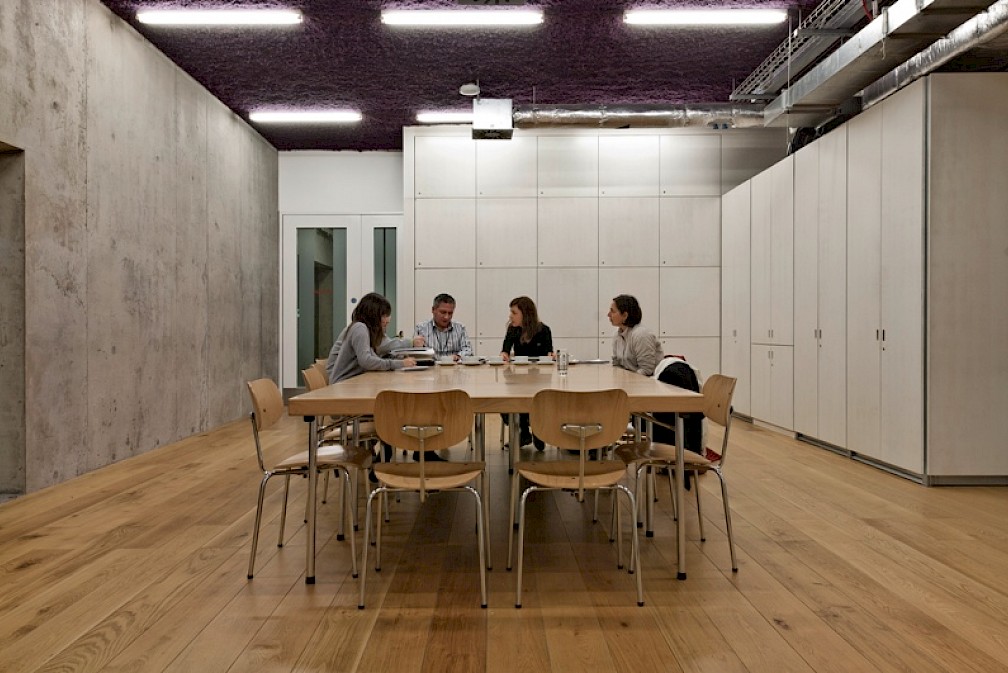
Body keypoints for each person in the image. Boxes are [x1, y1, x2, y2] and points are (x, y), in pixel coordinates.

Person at [500, 296, 553, 451]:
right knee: (509, 399)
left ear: (525, 313)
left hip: (539, 378)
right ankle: (525, 432)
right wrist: (504, 355)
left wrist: (550, 356)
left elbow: (548, 355)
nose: (510, 316)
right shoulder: (512, 329)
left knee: (534, 396)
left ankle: (536, 430)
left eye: (514, 312)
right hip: (518, 377)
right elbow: (505, 351)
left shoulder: (544, 330)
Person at [330, 293, 417, 383]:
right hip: (343, 384)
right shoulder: (360, 328)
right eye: (384, 315)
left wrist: (398, 361)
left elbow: (374, 359)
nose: (387, 320)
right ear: (373, 315)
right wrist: (400, 363)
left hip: (353, 382)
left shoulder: (366, 331)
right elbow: (366, 361)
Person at [325, 323, 422, 384]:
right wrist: (400, 362)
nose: (386, 324)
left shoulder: (363, 329)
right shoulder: (360, 330)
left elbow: (375, 355)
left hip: (349, 381)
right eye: (384, 323)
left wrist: (396, 359)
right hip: (343, 384)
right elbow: (368, 360)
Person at [608, 294, 662, 377]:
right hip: (629, 383)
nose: (608, 314)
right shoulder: (617, 335)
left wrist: (627, 382)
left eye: (613, 311)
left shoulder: (641, 335)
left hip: (647, 384)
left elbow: (646, 371)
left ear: (625, 315)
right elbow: (616, 365)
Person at [413, 293, 473, 361]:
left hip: (454, 368)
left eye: (450, 313)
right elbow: (417, 354)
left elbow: (468, 350)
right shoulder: (421, 328)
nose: (446, 317)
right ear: (433, 310)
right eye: (443, 312)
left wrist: (458, 356)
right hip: (431, 368)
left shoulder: (460, 328)